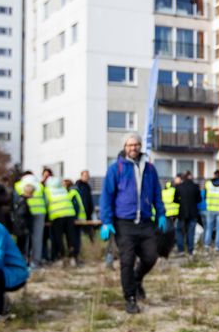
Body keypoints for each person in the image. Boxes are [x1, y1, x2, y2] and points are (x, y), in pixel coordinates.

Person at [98, 134, 166, 314]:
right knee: (127, 261)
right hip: (124, 223)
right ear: (124, 147)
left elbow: (157, 194)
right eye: (129, 145)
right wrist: (106, 221)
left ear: (140, 146)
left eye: (136, 145)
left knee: (151, 256)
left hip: (145, 222)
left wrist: (161, 214)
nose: (133, 148)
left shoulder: (150, 169)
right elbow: (106, 196)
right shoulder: (116, 168)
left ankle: (137, 279)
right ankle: (130, 298)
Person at [15, 171, 47, 268]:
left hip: (25, 214)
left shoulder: (18, 185)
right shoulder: (40, 186)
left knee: (25, 238)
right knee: (37, 238)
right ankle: (35, 262)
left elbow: (15, 200)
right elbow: (46, 201)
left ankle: (23, 261)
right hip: (40, 213)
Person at [175, 171, 202, 256]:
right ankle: (190, 250)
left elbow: (175, 199)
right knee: (191, 231)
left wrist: (181, 202)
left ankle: (181, 249)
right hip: (193, 213)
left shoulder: (179, 186)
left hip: (182, 213)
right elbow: (199, 199)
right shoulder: (195, 187)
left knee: (179, 230)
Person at [203, 170, 219, 251]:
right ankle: (217, 246)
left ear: (214, 175)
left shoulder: (208, 184)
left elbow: (204, 196)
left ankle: (207, 245)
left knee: (208, 228)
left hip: (210, 209)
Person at [161, 176, 181, 258]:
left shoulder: (163, 191)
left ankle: (167, 244)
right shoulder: (174, 190)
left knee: (167, 230)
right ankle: (174, 244)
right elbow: (178, 199)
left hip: (166, 213)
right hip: (175, 212)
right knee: (175, 229)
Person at [74, 170, 95, 243]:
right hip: (81, 214)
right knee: (82, 233)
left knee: (90, 233)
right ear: (81, 176)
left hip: (88, 214)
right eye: (85, 175)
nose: (87, 177)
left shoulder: (87, 186)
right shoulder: (79, 185)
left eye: (88, 175)